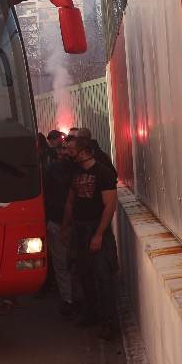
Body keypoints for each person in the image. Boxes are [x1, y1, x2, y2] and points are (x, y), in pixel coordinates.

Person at [62, 136, 119, 339]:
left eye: (70, 149)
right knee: (84, 274)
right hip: (79, 229)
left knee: (104, 277)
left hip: (95, 228)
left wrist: (99, 234)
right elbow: (70, 202)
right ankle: (93, 314)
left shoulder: (102, 173)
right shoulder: (74, 172)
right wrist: (65, 228)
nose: (66, 152)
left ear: (83, 151)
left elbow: (109, 206)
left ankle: (110, 323)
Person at [43, 138, 78, 318]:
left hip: (68, 222)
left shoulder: (53, 170)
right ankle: (71, 299)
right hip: (64, 222)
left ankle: (70, 299)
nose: (64, 152)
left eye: (67, 149)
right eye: (62, 149)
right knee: (65, 263)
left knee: (64, 263)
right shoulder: (76, 169)